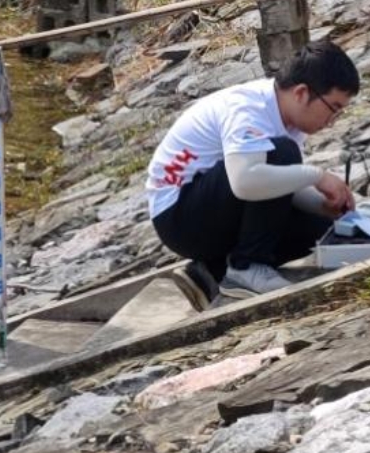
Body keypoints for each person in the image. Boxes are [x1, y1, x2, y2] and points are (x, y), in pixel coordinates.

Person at [146, 40, 359, 301]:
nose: (331, 121)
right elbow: (246, 182)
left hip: (210, 207)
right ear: (302, 93)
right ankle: (247, 268)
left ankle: (213, 270)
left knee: (319, 227)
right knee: (280, 153)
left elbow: (278, 187)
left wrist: (324, 206)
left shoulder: (288, 118)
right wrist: (318, 175)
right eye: (333, 109)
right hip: (179, 217)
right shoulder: (250, 108)